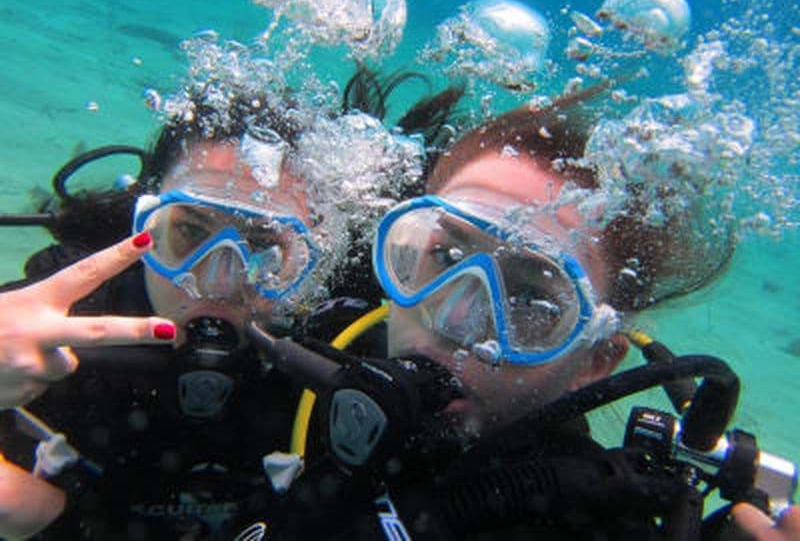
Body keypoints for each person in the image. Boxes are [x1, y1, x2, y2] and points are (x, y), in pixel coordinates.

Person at [253, 85, 799, 540]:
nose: (454, 319)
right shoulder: (302, 352)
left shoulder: (584, 518)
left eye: (529, 297)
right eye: (446, 257)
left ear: (596, 360)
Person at [0, 62, 463, 540]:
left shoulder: (348, 350)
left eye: (264, 246)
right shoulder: (67, 313)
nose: (218, 282)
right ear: (148, 225)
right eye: (190, 231)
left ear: (315, 259)